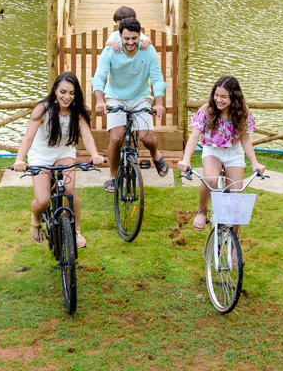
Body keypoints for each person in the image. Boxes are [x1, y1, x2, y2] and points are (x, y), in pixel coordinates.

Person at [12, 72, 105, 248]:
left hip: (64, 152)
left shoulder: (77, 112)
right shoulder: (42, 109)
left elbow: (87, 136)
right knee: (43, 200)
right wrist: (19, 160)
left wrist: (94, 154)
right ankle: (36, 217)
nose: (67, 97)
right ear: (55, 90)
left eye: (71, 93)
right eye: (63, 92)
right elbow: (28, 139)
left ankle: (76, 231)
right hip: (41, 153)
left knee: (70, 190)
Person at [175, 75, 265, 231]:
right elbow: (194, 136)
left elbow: (245, 140)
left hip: (234, 152)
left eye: (224, 97)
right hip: (213, 151)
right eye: (216, 95)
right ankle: (202, 210)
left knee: (236, 202)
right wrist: (186, 159)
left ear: (234, 97)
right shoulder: (207, 109)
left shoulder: (242, 111)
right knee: (210, 181)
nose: (218, 99)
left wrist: (255, 162)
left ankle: (234, 242)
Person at [92, 17, 169, 191]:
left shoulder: (148, 50)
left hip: (140, 96)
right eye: (126, 38)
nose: (130, 42)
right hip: (115, 96)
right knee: (116, 138)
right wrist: (100, 100)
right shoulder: (110, 51)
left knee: (146, 137)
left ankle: (155, 154)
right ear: (120, 36)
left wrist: (158, 103)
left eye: (134, 38)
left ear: (139, 36)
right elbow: (99, 77)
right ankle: (112, 176)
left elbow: (157, 78)